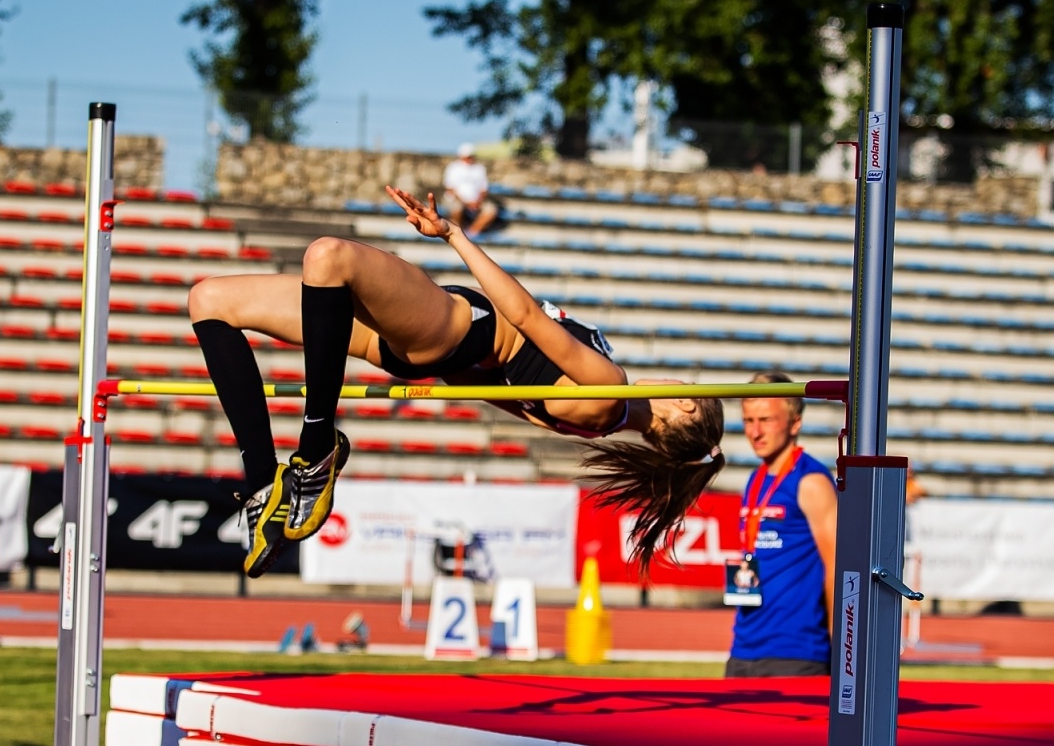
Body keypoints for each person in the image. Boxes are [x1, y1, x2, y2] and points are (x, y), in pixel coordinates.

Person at [185, 186, 725, 578]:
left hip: (457, 325)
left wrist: (454, 235)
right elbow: (496, 393)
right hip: (430, 342)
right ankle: (261, 480)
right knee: (209, 299)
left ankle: (315, 449)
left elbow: (526, 317)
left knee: (329, 257)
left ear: (683, 406)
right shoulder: (597, 422)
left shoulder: (610, 389)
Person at [723, 371, 837, 679]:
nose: (755, 432)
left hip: (796, 655)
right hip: (744, 650)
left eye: (766, 420)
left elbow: (838, 567)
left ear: (795, 422)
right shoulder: (756, 479)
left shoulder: (811, 481)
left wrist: (843, 652)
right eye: (748, 420)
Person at [440, 144, 499, 236]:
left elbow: (484, 189)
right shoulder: (453, 168)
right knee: (456, 209)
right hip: (457, 199)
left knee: (491, 210)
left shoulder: (479, 168)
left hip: (475, 201)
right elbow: (450, 188)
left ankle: (472, 233)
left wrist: (477, 201)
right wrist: (466, 202)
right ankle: (458, 233)